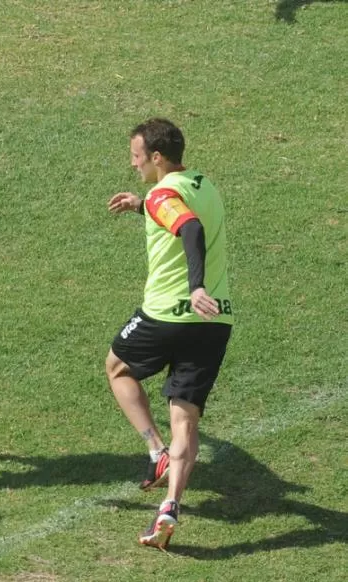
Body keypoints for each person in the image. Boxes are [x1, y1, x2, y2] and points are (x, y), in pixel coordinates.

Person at [106, 118, 233, 549]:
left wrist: (194, 285)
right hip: (214, 322)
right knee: (186, 417)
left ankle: (154, 450)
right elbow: (187, 212)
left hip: (167, 315)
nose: (133, 162)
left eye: (137, 155)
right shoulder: (204, 184)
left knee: (117, 368)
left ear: (157, 157)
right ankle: (169, 506)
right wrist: (141, 205)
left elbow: (189, 228)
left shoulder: (163, 193)